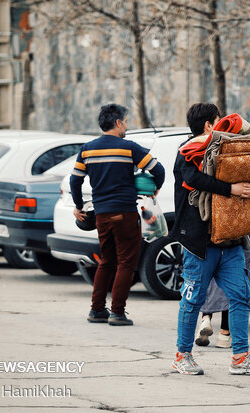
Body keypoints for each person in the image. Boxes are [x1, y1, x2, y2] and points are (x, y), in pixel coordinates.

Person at [170, 102, 250, 375]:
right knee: (193, 299)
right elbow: (193, 179)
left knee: (241, 296)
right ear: (208, 126)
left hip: (231, 240)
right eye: (218, 121)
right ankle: (182, 355)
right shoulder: (187, 153)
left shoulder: (228, 153)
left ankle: (240, 358)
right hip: (200, 243)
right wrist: (232, 188)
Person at [70, 103, 165, 326]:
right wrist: (155, 188)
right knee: (126, 263)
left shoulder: (87, 149)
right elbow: (157, 169)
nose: (127, 126)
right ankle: (117, 312)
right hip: (125, 213)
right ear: (118, 122)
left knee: (106, 261)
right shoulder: (129, 147)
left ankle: (96, 310)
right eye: (126, 121)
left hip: (102, 215)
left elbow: (75, 180)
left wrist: (78, 205)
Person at [196, 189, 250, 348]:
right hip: (240, 233)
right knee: (235, 286)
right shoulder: (243, 172)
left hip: (214, 227)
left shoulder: (213, 169)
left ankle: (205, 318)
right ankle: (224, 334)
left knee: (211, 278)